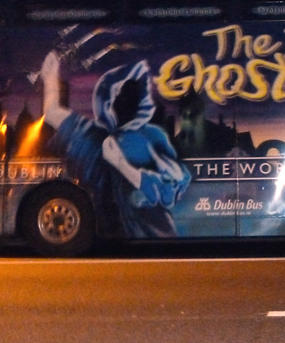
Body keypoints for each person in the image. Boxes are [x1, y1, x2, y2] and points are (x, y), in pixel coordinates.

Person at [40, 51, 190, 238]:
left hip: (153, 232)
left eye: (129, 95)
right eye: (117, 94)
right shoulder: (97, 136)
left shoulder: (152, 135)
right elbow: (53, 113)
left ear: (140, 101)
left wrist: (122, 164)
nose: (121, 100)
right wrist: (51, 77)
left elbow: (172, 184)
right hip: (112, 227)